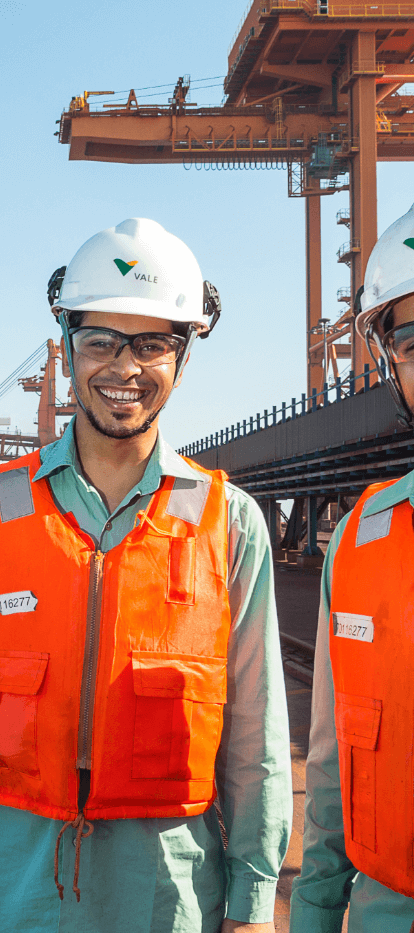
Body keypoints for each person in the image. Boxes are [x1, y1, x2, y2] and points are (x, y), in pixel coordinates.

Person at [0, 217, 292, 933]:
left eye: (153, 342)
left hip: (168, 902)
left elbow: (255, 741)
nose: (123, 367)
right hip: (17, 890)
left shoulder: (231, 523)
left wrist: (253, 906)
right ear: (67, 348)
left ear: (184, 358)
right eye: (100, 339)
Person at [290, 202, 414, 933]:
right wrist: (311, 912)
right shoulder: (360, 538)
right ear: (389, 359)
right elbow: (332, 767)